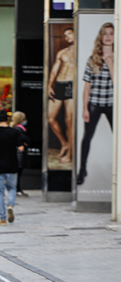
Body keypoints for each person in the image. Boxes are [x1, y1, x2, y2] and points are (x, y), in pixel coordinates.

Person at [78, 22, 114, 186]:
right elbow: (87, 85)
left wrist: (110, 62)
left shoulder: (118, 56)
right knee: (87, 137)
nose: (108, 36)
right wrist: (85, 108)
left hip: (113, 103)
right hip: (95, 102)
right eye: (105, 33)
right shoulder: (92, 59)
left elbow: (117, 81)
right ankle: (82, 169)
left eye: (111, 33)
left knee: (118, 137)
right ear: (101, 36)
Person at [0, 110, 24, 226]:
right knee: (12, 188)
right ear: (8, 119)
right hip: (12, 165)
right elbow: (21, 148)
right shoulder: (14, 132)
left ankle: (2, 219)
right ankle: (10, 205)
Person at [48, 28, 76, 165]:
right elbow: (54, 70)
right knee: (50, 118)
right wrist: (49, 85)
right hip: (59, 84)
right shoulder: (62, 52)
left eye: (69, 34)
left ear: (75, 34)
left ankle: (70, 154)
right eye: (65, 35)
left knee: (69, 121)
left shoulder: (82, 51)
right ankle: (64, 143)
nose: (67, 37)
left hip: (71, 85)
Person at [11, 111, 31, 197]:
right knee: (18, 173)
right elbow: (26, 140)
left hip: (18, 154)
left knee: (18, 173)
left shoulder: (16, 129)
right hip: (18, 154)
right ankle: (17, 189)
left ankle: (17, 189)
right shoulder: (18, 130)